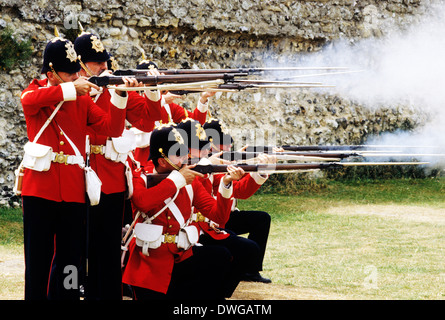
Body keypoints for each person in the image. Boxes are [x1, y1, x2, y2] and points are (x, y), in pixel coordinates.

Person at [19, 33, 128, 300]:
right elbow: (29, 100)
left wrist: (120, 96)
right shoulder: (39, 90)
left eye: (74, 72)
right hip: (40, 190)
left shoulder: (82, 100)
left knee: (70, 260)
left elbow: (111, 128)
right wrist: (70, 89)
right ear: (51, 71)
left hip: (71, 190)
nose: (74, 76)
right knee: (38, 262)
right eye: (69, 73)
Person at [73, 31, 163, 300]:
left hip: (110, 175)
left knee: (108, 246)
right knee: (78, 244)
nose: (104, 67)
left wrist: (152, 90)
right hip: (79, 175)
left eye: (105, 61)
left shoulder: (114, 89)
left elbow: (148, 122)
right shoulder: (73, 90)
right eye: (96, 62)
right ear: (81, 65)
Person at [122, 123, 239, 300]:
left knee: (219, 257)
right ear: (162, 161)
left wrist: (226, 183)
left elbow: (219, 217)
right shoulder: (142, 177)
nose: (186, 157)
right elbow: (142, 202)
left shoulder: (191, 181)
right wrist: (176, 180)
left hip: (182, 256)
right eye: (178, 153)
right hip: (149, 263)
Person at [175, 118, 263, 297]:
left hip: (207, 226)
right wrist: (208, 165)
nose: (205, 150)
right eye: (199, 146)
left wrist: (259, 171)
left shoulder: (206, 166)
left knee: (248, 249)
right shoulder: (182, 170)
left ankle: (220, 293)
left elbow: (240, 192)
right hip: (186, 233)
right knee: (222, 255)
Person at [204, 118, 273, 283]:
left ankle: (251, 270)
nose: (229, 147)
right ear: (211, 144)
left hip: (227, 215)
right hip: (213, 219)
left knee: (262, 219)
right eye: (224, 143)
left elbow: (243, 192)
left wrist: (259, 169)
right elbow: (240, 191)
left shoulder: (224, 162)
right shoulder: (206, 166)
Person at [132, 58, 215, 167]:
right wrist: (161, 101)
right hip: (146, 160)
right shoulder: (135, 101)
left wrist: (203, 99)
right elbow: (145, 126)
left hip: (171, 158)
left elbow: (194, 123)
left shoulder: (169, 106)